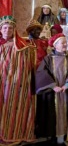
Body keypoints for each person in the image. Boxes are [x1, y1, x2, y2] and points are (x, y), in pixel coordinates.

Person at [0, 16, 37, 144]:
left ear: (14, 29)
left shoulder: (22, 46)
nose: (7, 30)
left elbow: (25, 66)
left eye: (10, 28)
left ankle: (11, 133)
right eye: (5, 28)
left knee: (12, 105)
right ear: (1, 29)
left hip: (12, 82)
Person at [35, 33, 68, 145]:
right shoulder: (47, 59)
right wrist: (53, 86)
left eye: (66, 42)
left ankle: (67, 136)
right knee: (53, 114)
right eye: (62, 43)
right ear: (55, 45)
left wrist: (67, 84)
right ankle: (53, 136)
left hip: (67, 91)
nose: (65, 44)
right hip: (53, 92)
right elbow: (41, 73)